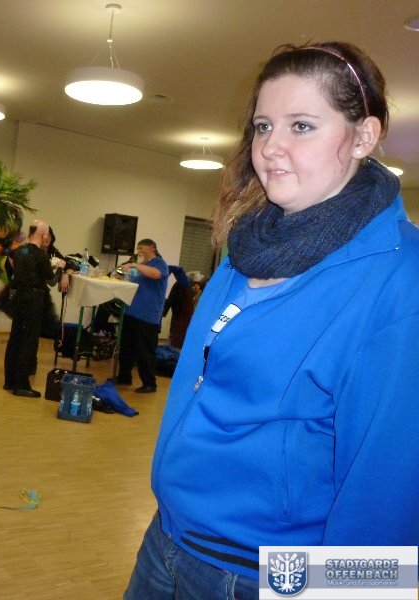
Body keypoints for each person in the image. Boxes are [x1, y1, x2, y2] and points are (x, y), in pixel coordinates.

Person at [124, 41, 419, 600]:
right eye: (263, 126)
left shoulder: (401, 278)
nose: (269, 148)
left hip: (261, 576)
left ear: (364, 136)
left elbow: (391, 494)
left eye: (301, 126)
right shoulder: (248, 248)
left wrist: (339, 591)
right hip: (167, 540)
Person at [3, 220, 64, 397]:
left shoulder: (19, 251)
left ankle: (9, 381)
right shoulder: (40, 255)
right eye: (47, 234)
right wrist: (60, 268)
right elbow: (51, 281)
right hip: (34, 300)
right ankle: (22, 385)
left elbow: (14, 267)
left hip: (19, 298)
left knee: (15, 338)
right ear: (43, 235)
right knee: (28, 341)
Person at [114, 238, 168, 393]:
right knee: (127, 348)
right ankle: (124, 377)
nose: (139, 251)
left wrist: (134, 265)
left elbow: (156, 274)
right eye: (138, 248)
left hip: (147, 316)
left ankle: (150, 383)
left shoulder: (159, 263)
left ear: (152, 248)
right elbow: (128, 276)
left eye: (141, 248)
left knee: (145, 351)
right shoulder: (141, 265)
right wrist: (119, 273)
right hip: (131, 312)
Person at [161, 265, 194, 350]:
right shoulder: (184, 286)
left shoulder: (180, 285)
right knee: (180, 328)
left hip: (180, 310)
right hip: (183, 311)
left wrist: (164, 312)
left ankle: (176, 346)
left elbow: (171, 299)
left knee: (179, 328)